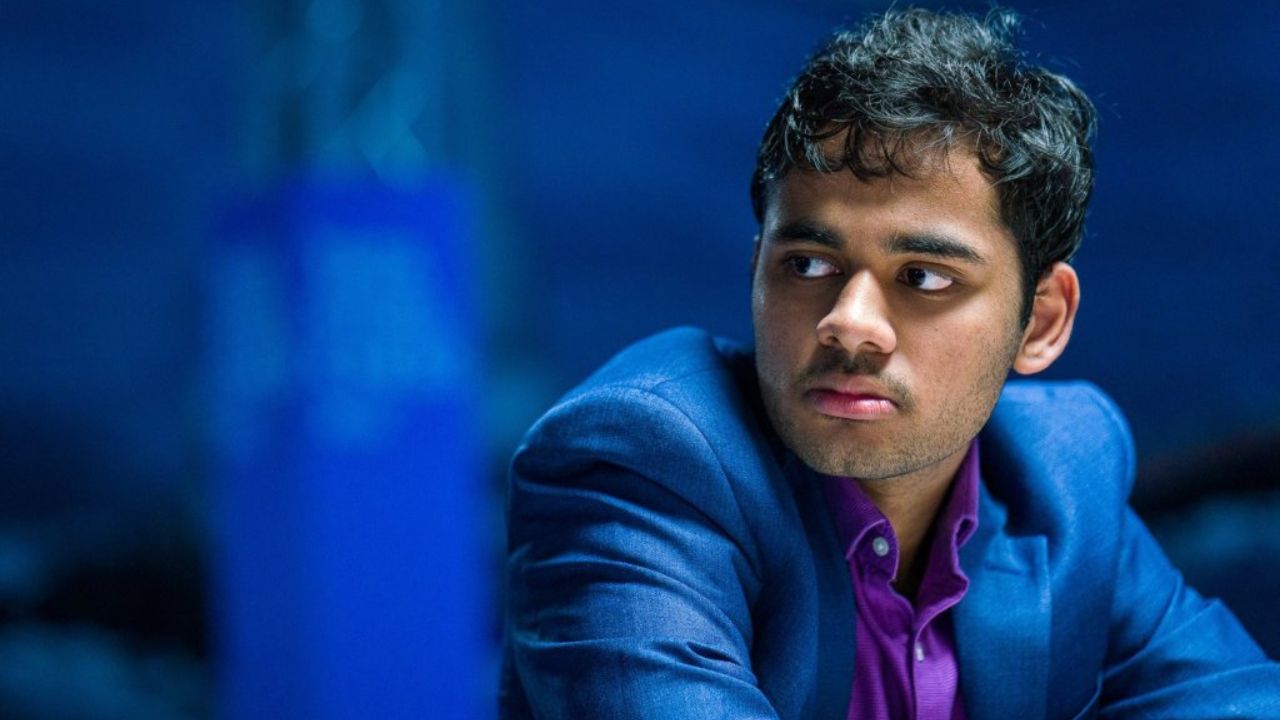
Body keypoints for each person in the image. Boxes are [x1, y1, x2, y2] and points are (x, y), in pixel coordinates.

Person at [499, 8, 1280, 719]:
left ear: (1041, 320)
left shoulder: (1064, 471)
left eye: (924, 278)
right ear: (756, 269)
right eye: (808, 265)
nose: (850, 324)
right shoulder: (643, 464)